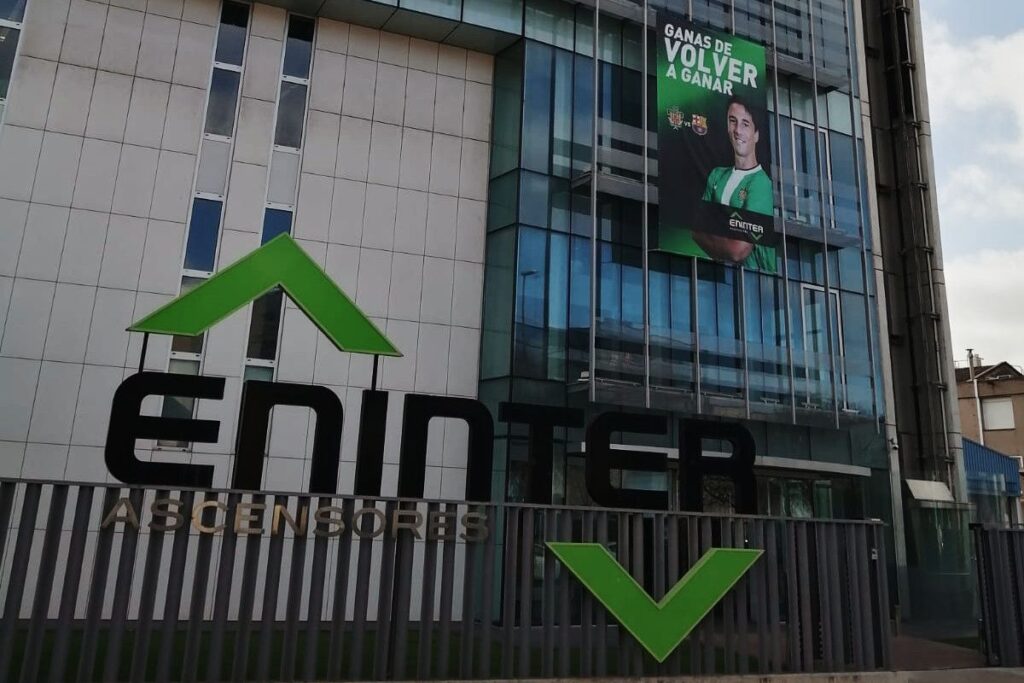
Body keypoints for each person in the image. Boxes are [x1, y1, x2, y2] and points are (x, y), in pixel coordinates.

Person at [693, 96, 775, 272]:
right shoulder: (716, 175)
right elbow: (696, 232)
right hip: (722, 278)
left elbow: (738, 250)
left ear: (756, 134)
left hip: (756, 285)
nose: (738, 130)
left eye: (745, 124)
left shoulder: (761, 184)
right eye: (733, 121)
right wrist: (726, 246)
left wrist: (714, 237)